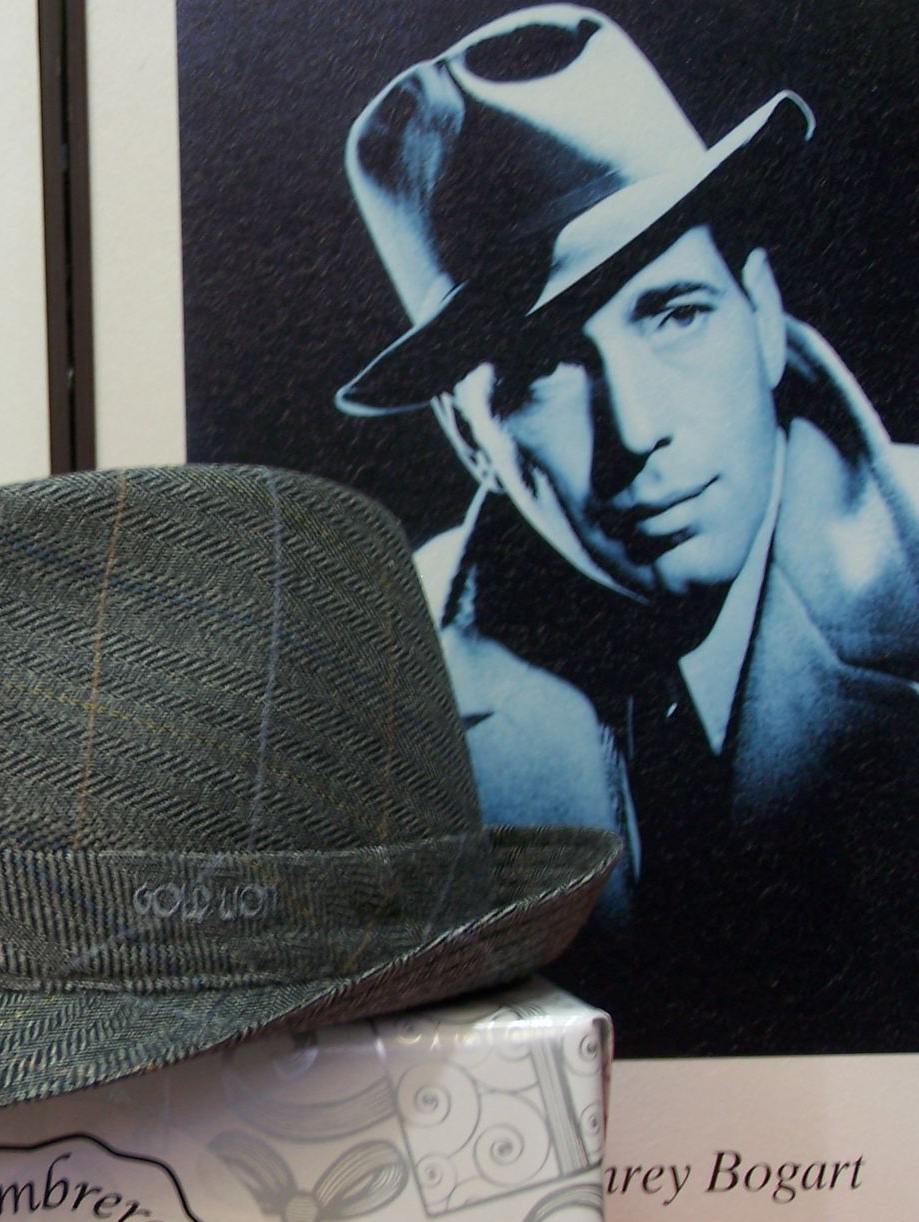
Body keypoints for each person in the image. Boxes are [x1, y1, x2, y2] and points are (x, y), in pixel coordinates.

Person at [337, 5, 919, 1054]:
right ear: (470, 437)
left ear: (764, 315)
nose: (638, 431)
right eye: (539, 370)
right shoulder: (373, 702)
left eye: (675, 313)